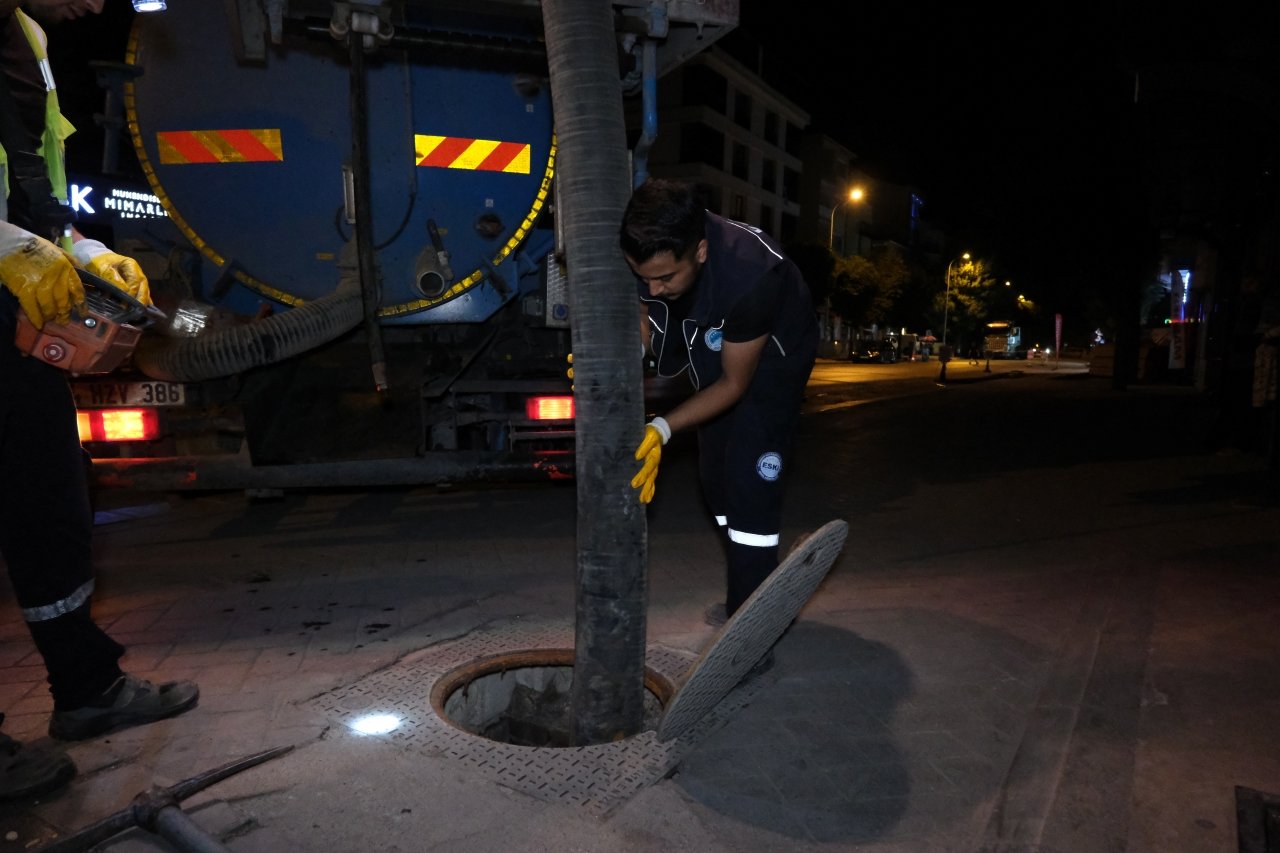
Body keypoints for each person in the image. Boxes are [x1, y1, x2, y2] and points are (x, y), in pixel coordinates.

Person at [0, 0, 198, 803]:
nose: (99, 3)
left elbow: (31, 176)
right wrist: (7, 247)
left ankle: (87, 689)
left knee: (48, 497)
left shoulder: (28, 37)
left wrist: (79, 246)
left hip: (17, 302)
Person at [622, 178, 818, 628]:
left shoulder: (752, 276)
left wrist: (663, 428)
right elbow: (646, 317)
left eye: (665, 277)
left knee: (750, 490)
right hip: (717, 345)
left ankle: (753, 626)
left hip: (768, 368)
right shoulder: (653, 247)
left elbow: (733, 384)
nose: (652, 288)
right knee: (714, 481)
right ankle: (752, 580)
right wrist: (616, 358)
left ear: (702, 252)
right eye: (642, 276)